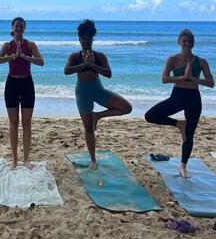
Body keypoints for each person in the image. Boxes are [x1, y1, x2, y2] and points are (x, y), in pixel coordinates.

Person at [145, 29, 214, 178]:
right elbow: (164, 79)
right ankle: (178, 124)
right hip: (177, 96)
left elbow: (211, 83)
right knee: (150, 115)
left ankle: (183, 166)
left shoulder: (201, 62)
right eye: (184, 41)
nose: (187, 44)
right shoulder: (173, 59)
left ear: (193, 43)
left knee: (189, 135)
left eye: (190, 41)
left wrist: (194, 79)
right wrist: (182, 77)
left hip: (194, 98)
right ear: (179, 42)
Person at [64, 19, 132, 169]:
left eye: (88, 39)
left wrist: (92, 64)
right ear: (79, 39)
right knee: (88, 129)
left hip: (98, 91)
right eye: (83, 39)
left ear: (92, 39)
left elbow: (108, 74)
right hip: (82, 94)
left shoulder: (100, 56)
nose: (85, 42)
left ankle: (98, 116)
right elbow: (66, 71)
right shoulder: (74, 56)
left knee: (127, 108)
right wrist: (84, 65)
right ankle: (93, 159)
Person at [0, 17, 44, 169]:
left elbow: (41, 61)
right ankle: (15, 159)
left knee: (27, 123)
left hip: (27, 83)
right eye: (17, 26)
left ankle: (26, 159)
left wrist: (24, 56)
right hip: (12, 84)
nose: (19, 29)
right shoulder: (7, 45)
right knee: (13, 123)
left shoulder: (30, 44)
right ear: (12, 27)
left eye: (21, 26)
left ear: (24, 28)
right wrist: (13, 56)